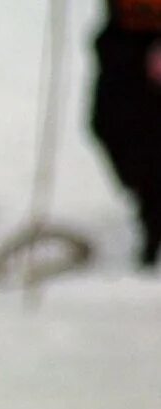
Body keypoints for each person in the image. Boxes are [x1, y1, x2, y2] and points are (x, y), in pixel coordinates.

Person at [91, 0, 161, 268]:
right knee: (108, 123)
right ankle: (150, 203)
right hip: (126, 27)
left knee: (148, 132)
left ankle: (153, 217)